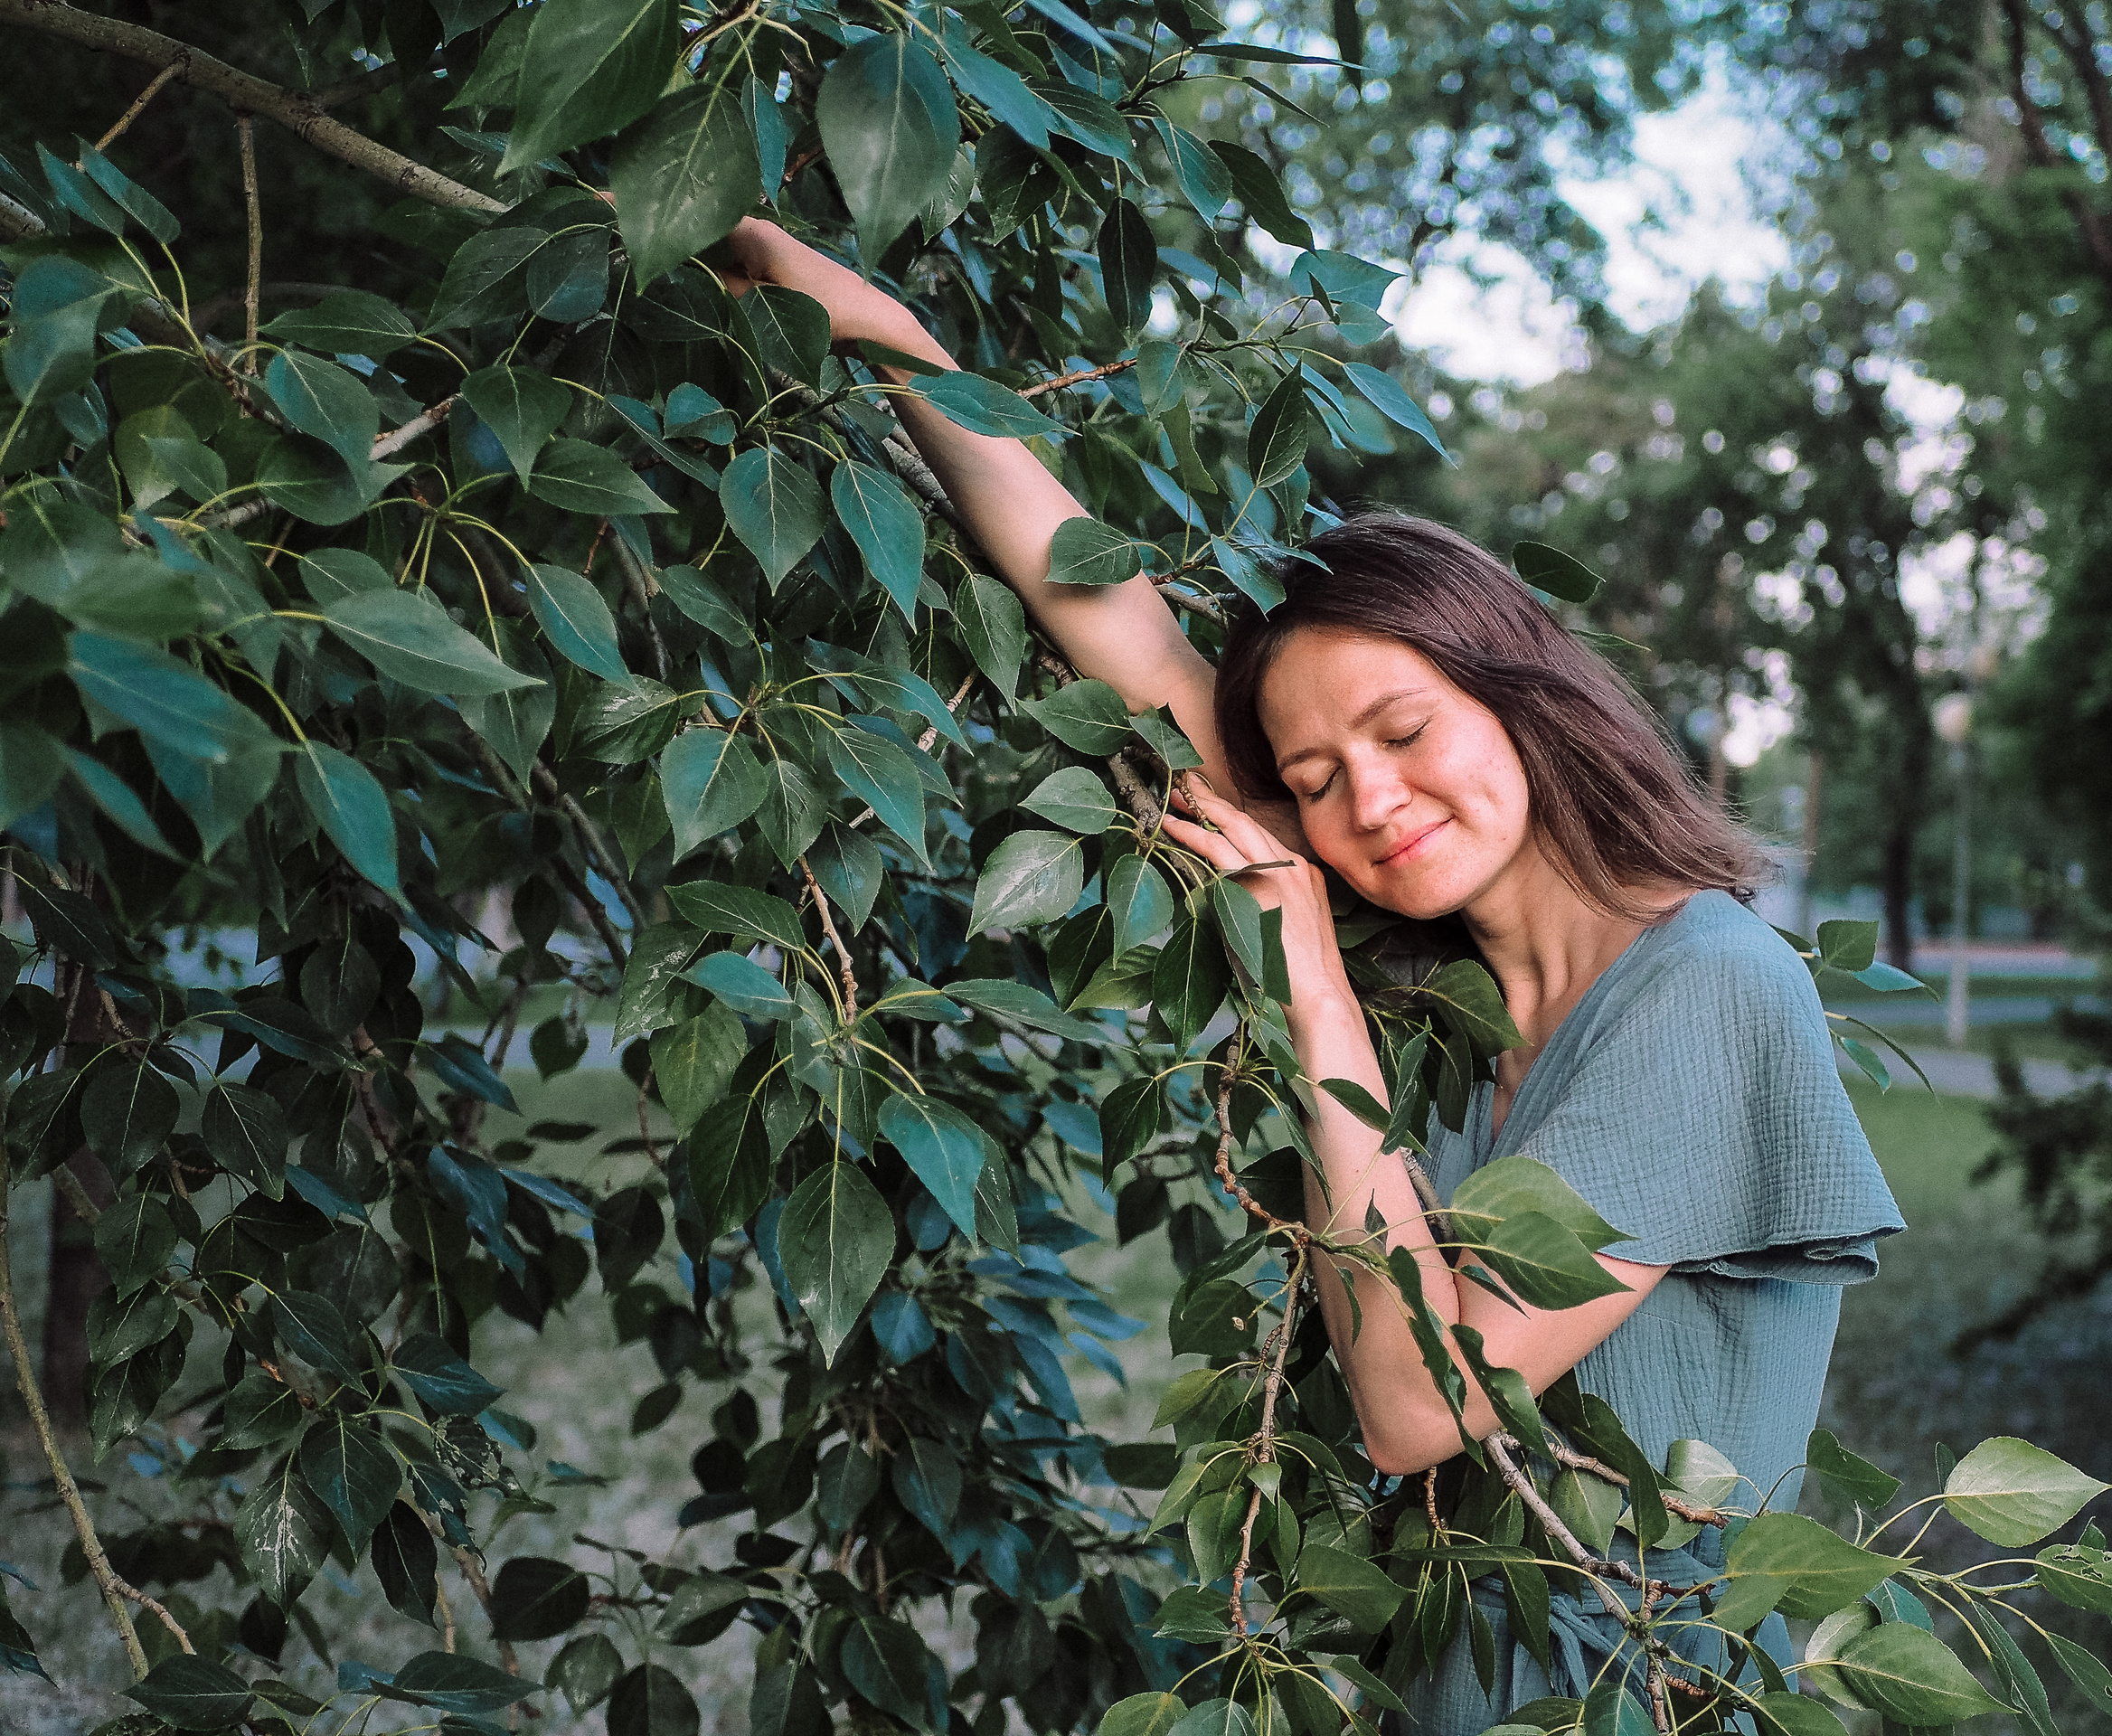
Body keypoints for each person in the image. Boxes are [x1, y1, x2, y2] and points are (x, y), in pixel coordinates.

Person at [723, 216, 1904, 1728]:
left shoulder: (1709, 988)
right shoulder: (1442, 970)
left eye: (1404, 735)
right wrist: (875, 328)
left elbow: (1423, 1408)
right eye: (1313, 776)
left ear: (1520, 696)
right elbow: (1121, 635)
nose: (1368, 804)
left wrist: (1315, 998)